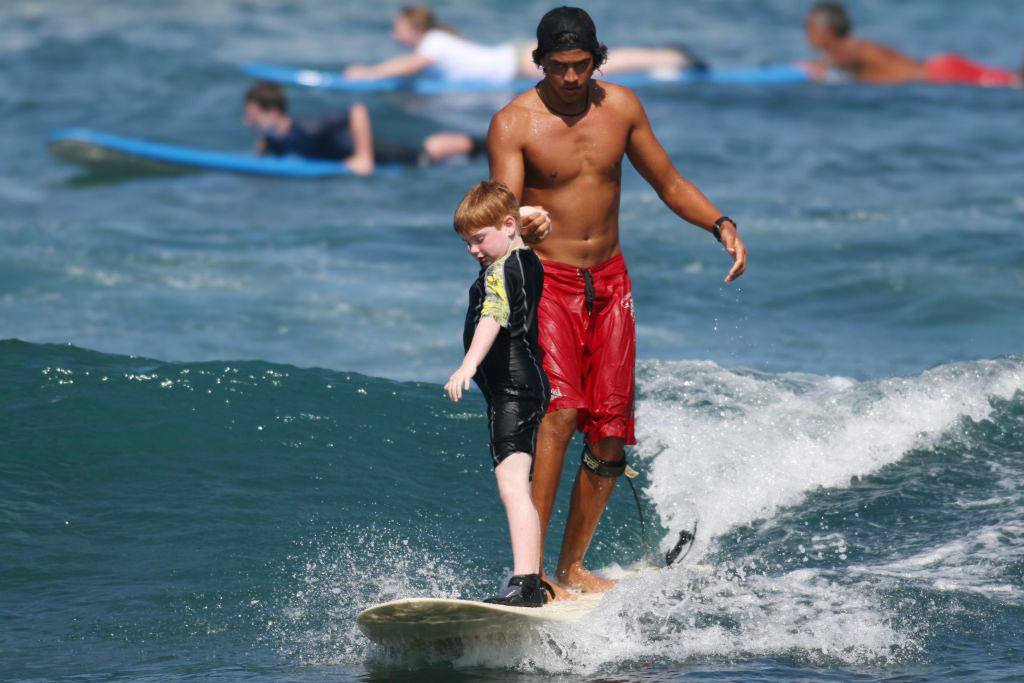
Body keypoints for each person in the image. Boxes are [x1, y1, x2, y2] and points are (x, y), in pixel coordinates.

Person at [487, 7, 747, 598]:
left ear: (596, 60)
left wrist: (720, 224)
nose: (571, 78)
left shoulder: (622, 108)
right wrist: (518, 221)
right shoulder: (513, 124)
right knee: (557, 416)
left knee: (608, 430)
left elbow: (670, 182)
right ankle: (531, 573)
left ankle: (572, 567)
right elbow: (500, 211)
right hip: (547, 281)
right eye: (559, 67)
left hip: (611, 283)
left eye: (581, 66)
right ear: (541, 62)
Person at [444, 180, 554, 607]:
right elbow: (511, 224)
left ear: (507, 226)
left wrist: (468, 365)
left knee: (512, 486)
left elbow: (493, 314)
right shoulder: (517, 255)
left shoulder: (506, 267)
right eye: (467, 242)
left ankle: (527, 583)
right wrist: (515, 216)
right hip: (516, 387)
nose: (473, 249)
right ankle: (529, 579)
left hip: (514, 386)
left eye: (478, 239)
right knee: (516, 484)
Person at [343, 5, 704, 85]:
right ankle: (666, 54)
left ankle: (671, 57)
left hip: (515, 61)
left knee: (608, 62)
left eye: (397, 29)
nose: (394, 35)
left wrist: (366, 74)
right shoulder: (439, 40)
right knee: (606, 59)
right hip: (512, 56)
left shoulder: (433, 42)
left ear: (413, 28)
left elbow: (410, 66)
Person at [242, 82, 483, 175]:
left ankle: (482, 143)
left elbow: (356, 110)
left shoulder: (307, 128)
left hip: (379, 152)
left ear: (272, 112)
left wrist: (363, 158)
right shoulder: (273, 138)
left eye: (252, 117)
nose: (247, 122)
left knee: (424, 154)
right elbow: (275, 144)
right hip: (360, 155)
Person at [805, 3, 1021, 87]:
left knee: (1014, 82)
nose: (807, 34)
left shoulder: (853, 48)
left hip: (939, 74)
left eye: (810, 28)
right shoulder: (857, 46)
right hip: (938, 69)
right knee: (1012, 79)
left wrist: (820, 67)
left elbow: (847, 59)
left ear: (827, 31)